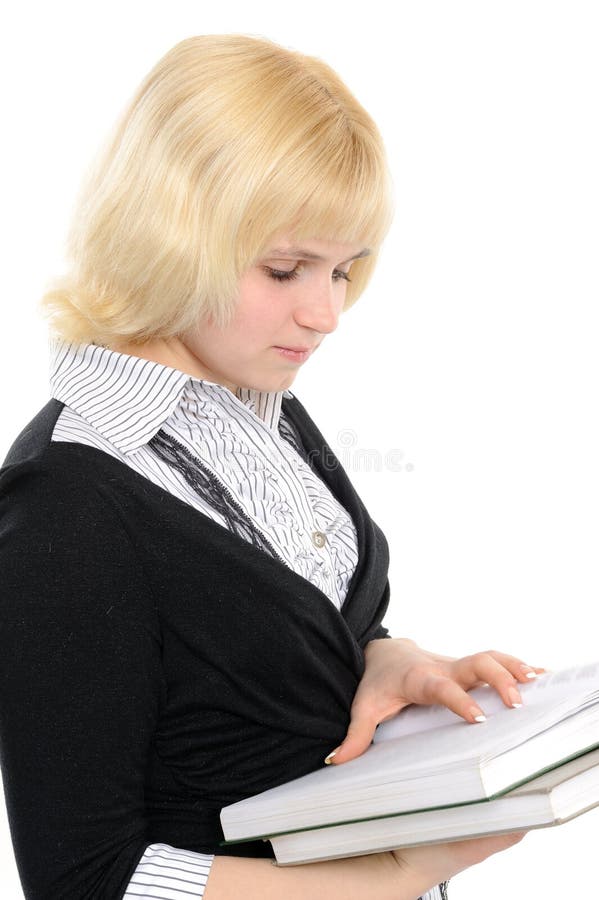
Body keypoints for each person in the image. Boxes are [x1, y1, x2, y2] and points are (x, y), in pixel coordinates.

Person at [0, 34, 544, 900]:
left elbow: (249, 642)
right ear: (169, 233)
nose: (326, 312)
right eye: (286, 269)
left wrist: (381, 657)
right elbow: (83, 877)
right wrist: (388, 879)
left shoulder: (261, 400)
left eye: (344, 270)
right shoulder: (67, 504)